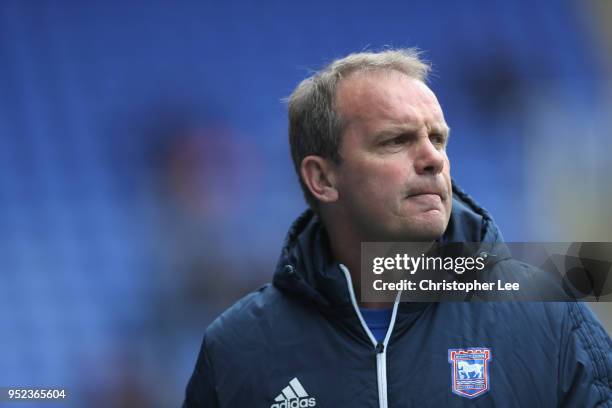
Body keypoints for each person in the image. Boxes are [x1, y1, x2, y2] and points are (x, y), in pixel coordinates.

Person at [183, 49, 611, 407]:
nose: (433, 159)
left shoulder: (548, 316)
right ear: (323, 179)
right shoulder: (238, 349)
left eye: (438, 139)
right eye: (396, 141)